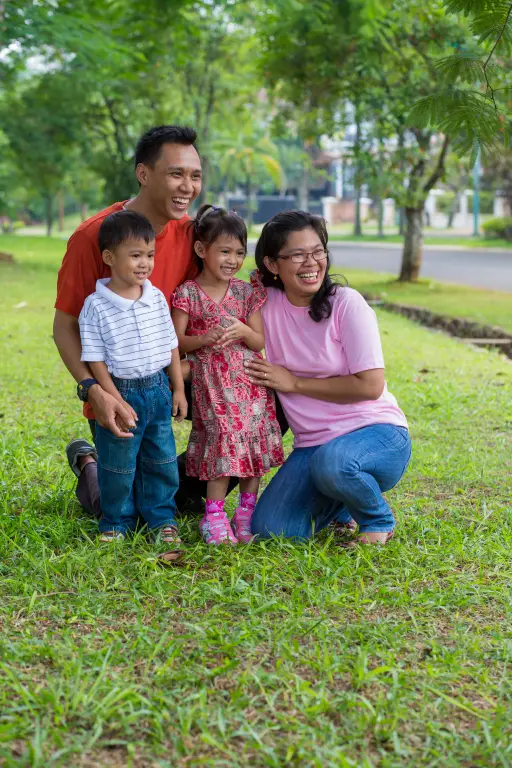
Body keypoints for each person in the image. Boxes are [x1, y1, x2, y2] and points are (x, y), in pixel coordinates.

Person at [53, 125, 204, 518]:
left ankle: (184, 481)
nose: (187, 186)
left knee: (261, 391)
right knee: (125, 510)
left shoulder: (191, 234)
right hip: (117, 387)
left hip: (170, 374)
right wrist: (92, 390)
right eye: (176, 174)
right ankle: (91, 465)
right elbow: (65, 325)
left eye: (195, 175)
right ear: (143, 174)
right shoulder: (94, 237)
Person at [245, 210, 411, 546]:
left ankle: (377, 520)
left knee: (333, 464)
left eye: (318, 251)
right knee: (273, 530)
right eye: (298, 255)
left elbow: (370, 385)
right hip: (313, 446)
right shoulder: (264, 302)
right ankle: (341, 508)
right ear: (273, 264)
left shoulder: (347, 305)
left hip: (377, 435)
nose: (312, 262)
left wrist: (294, 383)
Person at [172, 205, 284, 544]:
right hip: (213, 386)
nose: (232, 259)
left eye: (239, 252)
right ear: (202, 250)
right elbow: (175, 343)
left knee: (252, 448)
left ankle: (245, 513)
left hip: (250, 383)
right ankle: (214, 515)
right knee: (222, 445)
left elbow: (259, 339)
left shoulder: (246, 292)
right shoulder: (188, 293)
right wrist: (202, 340)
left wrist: (239, 330)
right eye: (225, 251)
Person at [78, 210, 187, 544]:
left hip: (158, 388)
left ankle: (161, 519)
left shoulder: (154, 297)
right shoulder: (95, 306)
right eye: (135, 255)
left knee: (162, 458)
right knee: (118, 463)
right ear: (109, 257)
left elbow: (171, 344)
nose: (145, 264)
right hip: (121, 390)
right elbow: (95, 361)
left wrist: (178, 389)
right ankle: (115, 521)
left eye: (150, 255)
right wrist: (113, 398)